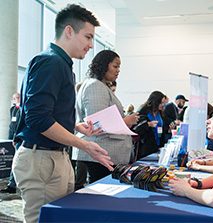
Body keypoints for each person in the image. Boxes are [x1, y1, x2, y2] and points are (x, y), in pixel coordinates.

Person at [12, 5, 114, 223]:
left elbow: (46, 112)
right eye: (88, 36)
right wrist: (84, 144)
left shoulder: (61, 64)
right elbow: (38, 118)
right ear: (69, 31)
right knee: (43, 219)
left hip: (53, 157)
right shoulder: (51, 62)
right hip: (42, 158)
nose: (90, 45)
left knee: (59, 217)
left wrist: (76, 126)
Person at [73, 50, 139, 183]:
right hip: (101, 152)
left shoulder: (99, 85)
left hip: (104, 152)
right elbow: (97, 124)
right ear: (104, 65)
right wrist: (126, 121)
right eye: (115, 66)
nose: (118, 70)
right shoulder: (95, 86)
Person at [132, 91, 167, 159]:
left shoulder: (160, 113)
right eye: (161, 103)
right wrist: (148, 124)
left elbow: (162, 126)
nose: (163, 105)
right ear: (155, 102)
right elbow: (136, 128)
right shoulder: (143, 111)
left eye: (163, 103)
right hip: (145, 147)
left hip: (158, 145)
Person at [0, 93, 21, 194]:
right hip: (11, 137)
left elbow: (19, 125)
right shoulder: (12, 109)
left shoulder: (22, 109)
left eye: (16, 98)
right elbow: (12, 124)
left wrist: (15, 138)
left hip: (18, 139)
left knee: (17, 161)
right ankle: (12, 184)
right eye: (13, 98)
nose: (15, 100)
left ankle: (12, 184)